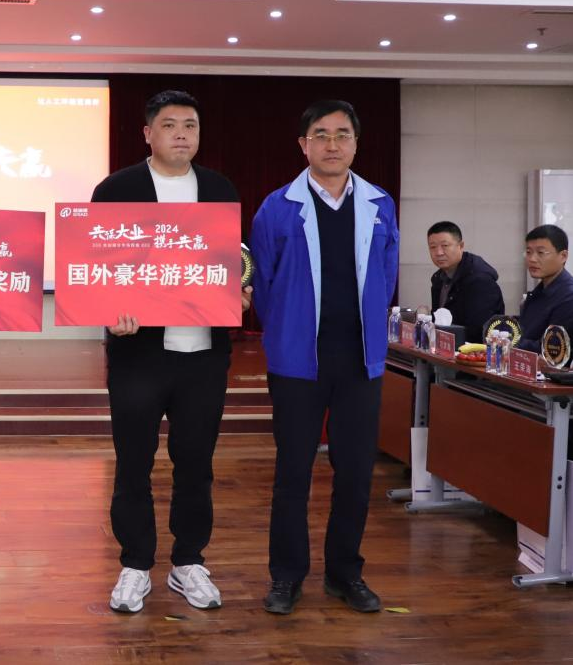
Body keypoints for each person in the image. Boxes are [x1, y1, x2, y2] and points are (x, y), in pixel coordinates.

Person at [91, 90, 251, 614]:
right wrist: (109, 310)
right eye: (169, 124)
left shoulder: (219, 189)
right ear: (148, 133)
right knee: (133, 463)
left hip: (204, 354)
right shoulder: (117, 190)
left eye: (190, 125)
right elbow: (96, 263)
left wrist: (239, 292)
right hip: (139, 353)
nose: (181, 133)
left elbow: (234, 262)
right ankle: (135, 564)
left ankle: (188, 562)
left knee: (196, 464)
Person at [251, 99, 399, 615]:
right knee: (292, 472)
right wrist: (286, 330)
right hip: (298, 361)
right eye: (321, 134)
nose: (332, 145)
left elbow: (386, 273)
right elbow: (264, 284)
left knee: (355, 473)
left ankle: (344, 574)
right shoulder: (277, 207)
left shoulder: (380, 204)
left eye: (342, 135)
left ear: (356, 143)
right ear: (303, 144)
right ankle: (286, 576)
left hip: (360, 360)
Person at [516, 224, 573, 352]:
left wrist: (509, 342)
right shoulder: (541, 290)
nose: (532, 259)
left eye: (541, 253)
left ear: (563, 256)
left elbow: (551, 349)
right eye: (528, 252)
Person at [427, 221, 504, 341]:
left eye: (445, 246)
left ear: (461, 246)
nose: (438, 253)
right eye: (433, 247)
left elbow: (479, 331)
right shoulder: (438, 278)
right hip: (447, 346)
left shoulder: (480, 280)